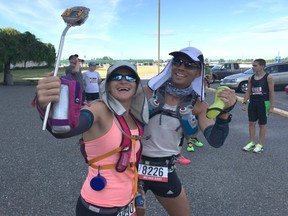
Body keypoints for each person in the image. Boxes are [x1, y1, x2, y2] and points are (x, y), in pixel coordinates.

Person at [35, 61, 149, 216]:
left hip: (129, 204)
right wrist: (46, 107)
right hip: (97, 208)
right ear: (108, 85)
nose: (123, 80)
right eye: (117, 77)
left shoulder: (135, 117)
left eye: (130, 78)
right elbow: (64, 129)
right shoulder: (99, 109)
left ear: (136, 87)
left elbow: (133, 158)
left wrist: (139, 186)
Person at [137, 47, 237, 216]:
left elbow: (215, 140)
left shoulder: (198, 105)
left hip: (165, 168)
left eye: (190, 64)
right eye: (178, 62)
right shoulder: (148, 91)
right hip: (133, 166)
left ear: (198, 72)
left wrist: (224, 114)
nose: (181, 67)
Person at [241, 58, 274, 153]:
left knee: (262, 124)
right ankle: (251, 143)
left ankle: (260, 144)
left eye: (255, 65)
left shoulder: (268, 77)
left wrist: (271, 107)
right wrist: (244, 103)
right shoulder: (251, 78)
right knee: (251, 123)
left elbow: (271, 92)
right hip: (253, 102)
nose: (253, 67)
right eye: (253, 65)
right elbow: (248, 91)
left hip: (264, 103)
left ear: (262, 66)